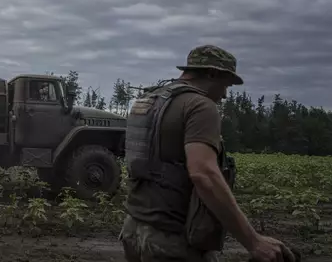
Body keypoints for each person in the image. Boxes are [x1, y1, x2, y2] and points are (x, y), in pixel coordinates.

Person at [118, 44, 296, 262]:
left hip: (134, 231)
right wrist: (253, 241)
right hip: (172, 241)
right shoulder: (200, 106)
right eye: (225, 85)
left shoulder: (148, 101)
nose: (225, 95)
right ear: (212, 73)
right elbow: (204, 174)